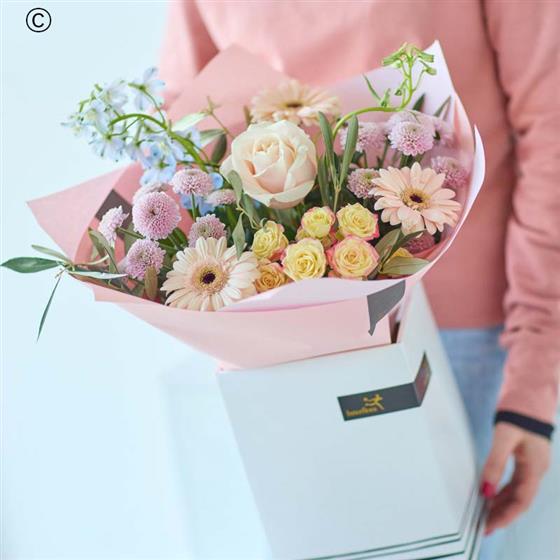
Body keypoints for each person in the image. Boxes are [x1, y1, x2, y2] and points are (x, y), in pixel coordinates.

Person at [159, 0, 560, 556]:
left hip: (461, 337)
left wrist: (533, 377)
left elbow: (552, 134)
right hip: (286, 342)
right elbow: (188, 135)